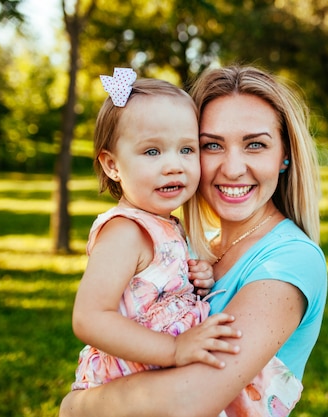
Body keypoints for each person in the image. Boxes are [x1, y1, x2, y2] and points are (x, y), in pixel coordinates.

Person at [60, 65, 328, 417]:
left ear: (285, 156)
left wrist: (75, 407)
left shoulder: (289, 260)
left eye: (256, 145)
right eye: (212, 145)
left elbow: (187, 400)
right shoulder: (186, 248)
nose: (232, 168)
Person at [69, 68, 242, 392]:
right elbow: (89, 317)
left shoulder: (168, 225)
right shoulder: (126, 231)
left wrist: (196, 278)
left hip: (165, 377)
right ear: (112, 165)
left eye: (187, 150)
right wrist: (173, 350)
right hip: (125, 383)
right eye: (152, 151)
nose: (173, 165)